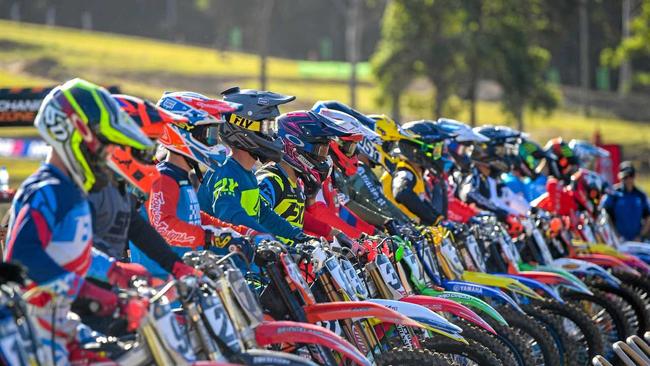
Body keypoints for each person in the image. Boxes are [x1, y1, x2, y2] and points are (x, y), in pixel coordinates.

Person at [3, 79, 153, 364]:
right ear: (74, 134)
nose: (108, 156)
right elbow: (23, 257)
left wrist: (112, 271)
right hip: (28, 334)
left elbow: (66, 247)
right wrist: (86, 289)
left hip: (60, 323)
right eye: (104, 147)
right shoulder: (47, 189)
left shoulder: (71, 191)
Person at [130, 91, 266, 278]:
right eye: (209, 134)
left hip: (187, 281)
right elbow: (164, 227)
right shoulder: (162, 178)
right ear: (181, 131)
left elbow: (195, 217)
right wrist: (212, 237)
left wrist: (244, 232)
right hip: (162, 286)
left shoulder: (182, 176)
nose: (213, 142)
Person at [91, 94, 201, 279]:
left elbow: (142, 233)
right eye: (142, 149)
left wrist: (177, 267)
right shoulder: (79, 192)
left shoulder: (114, 192)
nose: (151, 159)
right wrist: (116, 272)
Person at [197, 87, 311, 246]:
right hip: (222, 263)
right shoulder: (224, 171)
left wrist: (298, 236)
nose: (273, 135)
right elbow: (232, 215)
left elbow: (264, 214)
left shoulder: (247, 173)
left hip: (244, 261)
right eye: (266, 127)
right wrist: (268, 240)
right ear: (242, 127)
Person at [256, 110, 354, 241]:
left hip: (291, 259)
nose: (323, 159)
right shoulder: (270, 181)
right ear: (294, 146)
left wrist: (333, 233)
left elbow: (299, 218)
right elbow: (257, 216)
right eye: (320, 151)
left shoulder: (294, 183)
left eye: (325, 152)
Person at [603, 161, 650, 241]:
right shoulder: (613, 193)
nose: (628, 179)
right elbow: (605, 216)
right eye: (625, 177)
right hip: (617, 242)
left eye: (630, 176)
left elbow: (648, 218)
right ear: (620, 177)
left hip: (637, 242)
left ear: (634, 176)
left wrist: (640, 236)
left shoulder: (641, 195)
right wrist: (615, 235)